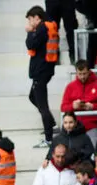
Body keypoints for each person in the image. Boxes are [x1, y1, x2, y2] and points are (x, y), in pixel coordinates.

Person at [26, 7, 59, 145]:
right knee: (33, 96)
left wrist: (29, 33)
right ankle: (51, 124)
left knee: (42, 105)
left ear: (37, 17)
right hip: (45, 69)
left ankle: (49, 138)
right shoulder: (47, 26)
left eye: (30, 19)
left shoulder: (41, 28)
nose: (29, 22)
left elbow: (31, 44)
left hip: (41, 71)